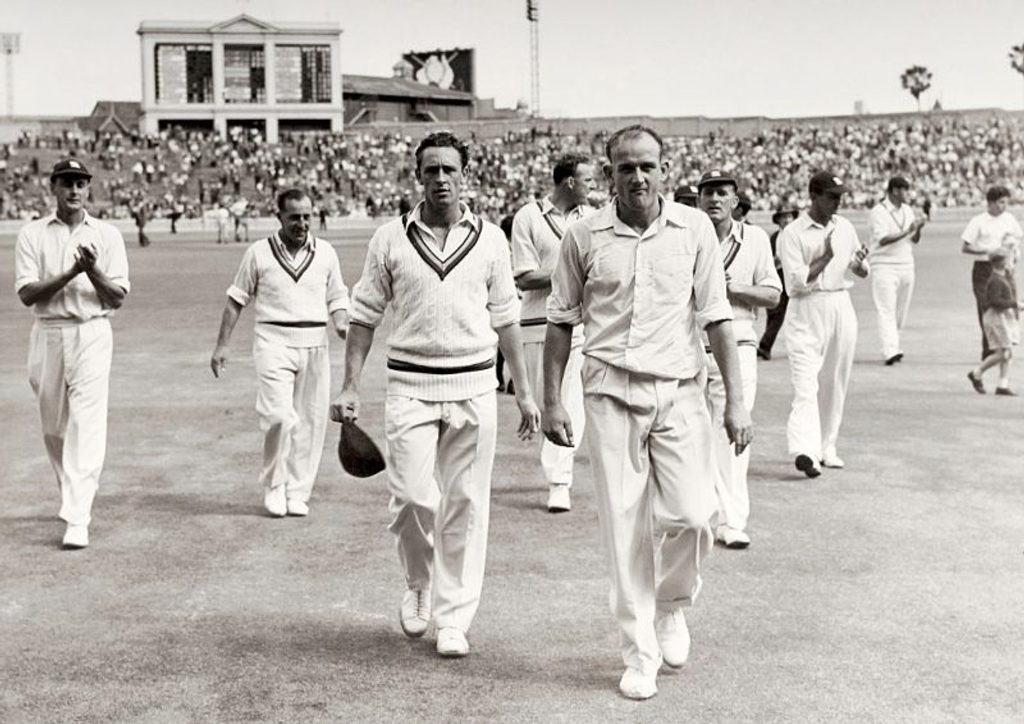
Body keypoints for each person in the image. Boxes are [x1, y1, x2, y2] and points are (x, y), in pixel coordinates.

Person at [543, 125, 751, 700]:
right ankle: (639, 654)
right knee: (625, 527)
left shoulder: (695, 228)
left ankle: (672, 606)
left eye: (648, 166)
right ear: (609, 173)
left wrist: (735, 400)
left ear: (666, 170)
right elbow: (560, 319)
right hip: (610, 392)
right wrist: (553, 398)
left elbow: (716, 316)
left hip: (682, 389)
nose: (638, 177)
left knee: (694, 514)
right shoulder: (584, 235)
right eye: (626, 167)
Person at [330, 132, 540, 660]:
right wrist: (350, 384)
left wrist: (527, 392)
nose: (440, 178)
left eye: (449, 169)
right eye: (431, 170)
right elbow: (363, 317)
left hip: (474, 385)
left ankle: (453, 618)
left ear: (465, 175)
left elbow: (508, 319)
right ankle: (419, 583)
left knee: (467, 504)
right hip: (410, 386)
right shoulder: (390, 238)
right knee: (412, 499)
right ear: (417, 176)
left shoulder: (491, 238)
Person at [210, 188, 350, 518]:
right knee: (279, 417)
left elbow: (338, 297)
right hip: (272, 342)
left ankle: (298, 491)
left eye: (306, 216)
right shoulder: (258, 253)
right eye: (294, 217)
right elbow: (235, 301)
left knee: (311, 422)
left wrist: (342, 322)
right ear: (279, 218)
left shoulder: (327, 253)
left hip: (315, 344)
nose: (302, 223)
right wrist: (222, 345)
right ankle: (274, 485)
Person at [14, 158, 130, 549]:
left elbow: (117, 297)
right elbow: (27, 293)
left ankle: (78, 516)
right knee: (53, 428)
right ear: (53, 187)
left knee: (87, 423)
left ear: (89, 188)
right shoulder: (32, 234)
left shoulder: (108, 235)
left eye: (80, 183)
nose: (74, 190)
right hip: (48, 333)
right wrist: (70, 273)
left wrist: (92, 270)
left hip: (92, 332)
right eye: (66, 183)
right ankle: (71, 494)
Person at [696, 170, 781, 550]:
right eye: (708, 193)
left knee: (732, 429)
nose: (714, 199)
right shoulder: (688, 236)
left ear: (735, 200)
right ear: (699, 200)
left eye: (722, 193)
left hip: (740, 343)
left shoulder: (756, 238)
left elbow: (773, 295)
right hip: (692, 346)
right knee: (695, 432)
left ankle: (731, 520)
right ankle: (701, 512)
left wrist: (735, 289)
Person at [509, 153, 596, 513]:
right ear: (569, 182)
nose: (594, 186)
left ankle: (559, 482)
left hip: (578, 325)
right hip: (536, 324)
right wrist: (569, 270)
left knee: (573, 402)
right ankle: (557, 472)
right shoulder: (528, 217)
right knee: (550, 401)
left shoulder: (592, 218)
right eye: (588, 180)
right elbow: (524, 276)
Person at [779, 172, 869, 479]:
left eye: (840, 196)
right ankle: (806, 451)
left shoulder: (844, 226)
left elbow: (860, 269)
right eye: (831, 196)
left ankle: (827, 446)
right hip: (807, 308)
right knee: (806, 383)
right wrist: (826, 255)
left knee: (835, 381)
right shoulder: (792, 233)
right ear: (814, 196)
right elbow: (796, 284)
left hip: (840, 304)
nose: (838, 201)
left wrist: (858, 263)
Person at [868, 176, 926, 365]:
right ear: (894, 191)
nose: (908, 194)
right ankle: (889, 350)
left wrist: (917, 229)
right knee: (886, 309)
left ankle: (894, 345)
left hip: (906, 263)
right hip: (884, 265)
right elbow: (883, 239)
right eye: (905, 190)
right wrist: (908, 230)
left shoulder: (907, 210)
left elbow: (914, 239)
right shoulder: (879, 211)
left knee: (901, 311)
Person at [961, 185, 1023, 360]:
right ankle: (989, 349)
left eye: (1006, 202)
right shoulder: (978, 221)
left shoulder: (1009, 219)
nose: (1004, 206)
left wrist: (1014, 252)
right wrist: (987, 250)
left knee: (1008, 306)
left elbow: (1017, 238)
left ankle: (1005, 345)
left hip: (1005, 268)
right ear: (991, 203)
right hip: (984, 268)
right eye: (1001, 202)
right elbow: (966, 247)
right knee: (987, 308)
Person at [968, 247, 1019, 395]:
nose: (1012, 262)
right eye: (1009, 259)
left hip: (1003, 316)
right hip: (996, 318)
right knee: (1003, 352)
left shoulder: (1004, 276)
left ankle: (1003, 384)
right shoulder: (995, 280)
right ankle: (977, 372)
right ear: (1002, 262)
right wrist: (1015, 304)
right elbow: (995, 301)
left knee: (1007, 351)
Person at [757, 205, 799, 360]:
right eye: (784, 217)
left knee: (786, 313)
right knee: (774, 312)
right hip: (778, 275)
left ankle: (765, 346)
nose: (787, 220)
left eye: (789, 217)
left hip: (794, 275)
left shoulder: (797, 235)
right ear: (779, 221)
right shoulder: (775, 237)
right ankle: (765, 346)